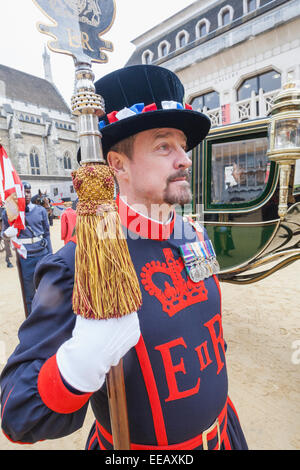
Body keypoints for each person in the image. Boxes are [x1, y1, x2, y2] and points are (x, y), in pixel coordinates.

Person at [0, 65, 247, 450]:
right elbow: (16, 414)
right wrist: (76, 365)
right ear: (116, 164)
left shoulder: (192, 234)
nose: (184, 159)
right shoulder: (82, 263)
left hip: (226, 436)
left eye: (183, 145)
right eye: (164, 145)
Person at [1, 181, 53, 315]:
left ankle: (47, 316)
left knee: (46, 289)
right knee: (29, 293)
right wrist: (7, 233)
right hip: (26, 257)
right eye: (23, 192)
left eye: (29, 191)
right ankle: (32, 319)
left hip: (42, 254)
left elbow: (46, 233)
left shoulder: (41, 210)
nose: (27, 194)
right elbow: (4, 232)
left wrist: (50, 254)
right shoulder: (11, 214)